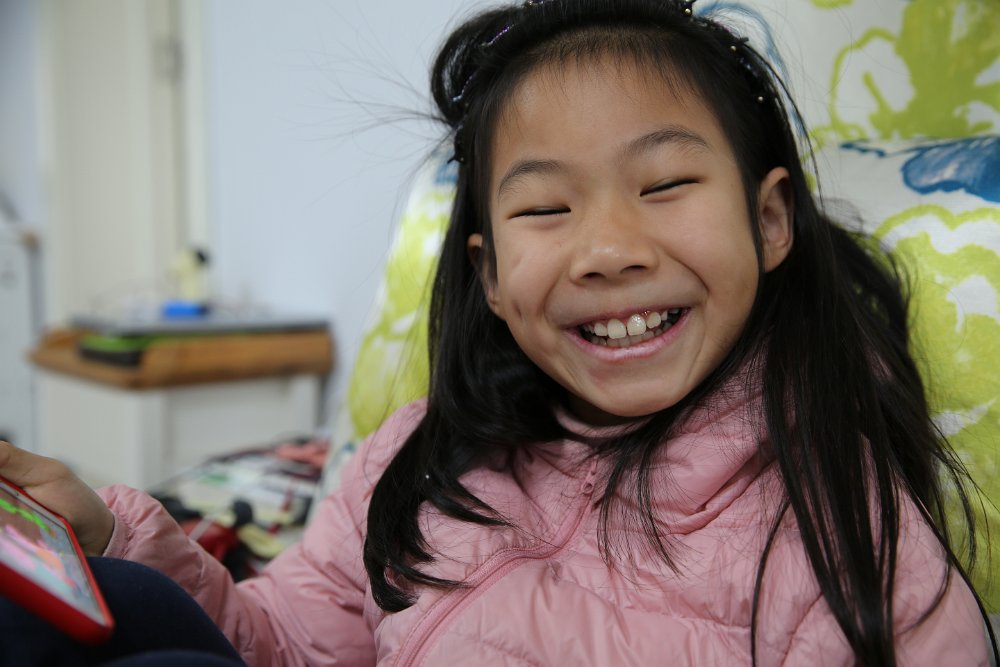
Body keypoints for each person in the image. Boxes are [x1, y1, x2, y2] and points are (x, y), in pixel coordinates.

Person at [0, 0, 996, 664]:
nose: (607, 250)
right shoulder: (419, 458)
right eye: (546, 209)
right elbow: (283, 643)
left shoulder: (843, 527)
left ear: (770, 221)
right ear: (487, 272)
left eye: (664, 184)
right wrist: (106, 538)